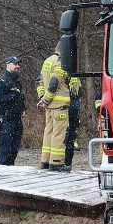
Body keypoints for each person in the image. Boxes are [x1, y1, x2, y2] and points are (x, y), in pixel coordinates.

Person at [36, 42, 73, 171]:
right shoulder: (61, 62)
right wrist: (46, 99)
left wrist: (42, 97)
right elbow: (54, 81)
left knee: (49, 132)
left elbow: (39, 81)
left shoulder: (47, 61)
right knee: (59, 134)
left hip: (49, 107)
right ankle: (56, 163)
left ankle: (45, 161)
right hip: (59, 105)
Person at [0, 56, 26, 165]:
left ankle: (10, 176)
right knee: (4, 152)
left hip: (17, 120)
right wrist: (13, 94)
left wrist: (23, 109)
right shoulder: (1, 82)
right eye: (15, 64)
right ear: (8, 64)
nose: (17, 66)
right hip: (7, 121)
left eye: (18, 64)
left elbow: (20, 98)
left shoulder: (17, 81)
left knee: (14, 151)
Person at [64, 77, 81, 168]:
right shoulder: (74, 77)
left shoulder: (73, 77)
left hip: (69, 112)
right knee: (67, 139)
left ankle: (66, 163)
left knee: (68, 139)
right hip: (67, 111)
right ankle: (66, 163)